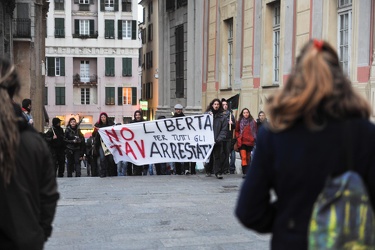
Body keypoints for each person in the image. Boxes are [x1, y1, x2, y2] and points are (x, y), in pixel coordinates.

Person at [235, 40, 375, 250]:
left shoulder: (275, 134)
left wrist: (288, 219)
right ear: (340, 80)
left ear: (296, 79)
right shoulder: (365, 133)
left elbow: (248, 210)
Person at [0, 57, 59, 249]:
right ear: (15, 89)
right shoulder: (33, 142)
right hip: (25, 241)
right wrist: (39, 233)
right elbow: (48, 196)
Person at [204, 98, 229, 179]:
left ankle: (217, 172)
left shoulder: (223, 117)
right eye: (215, 104)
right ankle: (208, 170)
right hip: (208, 140)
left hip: (217, 140)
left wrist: (219, 139)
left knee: (217, 156)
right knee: (209, 156)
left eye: (218, 104)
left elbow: (224, 129)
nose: (216, 106)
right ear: (212, 105)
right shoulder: (207, 115)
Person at [235, 108, 257, 178]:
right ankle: (245, 172)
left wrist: (253, 138)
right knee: (243, 157)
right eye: (244, 113)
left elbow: (256, 131)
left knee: (248, 157)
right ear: (242, 114)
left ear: (249, 113)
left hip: (250, 142)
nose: (246, 114)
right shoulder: (239, 122)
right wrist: (238, 137)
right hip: (242, 142)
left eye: (247, 112)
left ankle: (248, 172)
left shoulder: (253, 122)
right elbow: (237, 130)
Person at [92, 112, 115, 178]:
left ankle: (111, 172)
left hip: (109, 144)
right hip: (101, 144)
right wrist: (95, 130)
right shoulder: (98, 125)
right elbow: (93, 135)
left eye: (104, 117)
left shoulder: (111, 124)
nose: (103, 118)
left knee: (110, 159)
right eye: (102, 117)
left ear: (106, 117)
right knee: (102, 158)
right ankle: (103, 173)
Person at [129, 110, 148, 176]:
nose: (138, 116)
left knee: (142, 157)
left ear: (141, 115)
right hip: (135, 144)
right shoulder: (131, 123)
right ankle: (135, 171)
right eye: (136, 115)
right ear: (135, 116)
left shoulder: (144, 123)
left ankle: (142, 170)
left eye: (139, 115)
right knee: (135, 157)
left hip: (142, 143)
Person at [221, 98, 236, 174]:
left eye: (226, 105)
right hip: (220, 137)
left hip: (228, 137)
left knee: (227, 153)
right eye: (223, 105)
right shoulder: (219, 114)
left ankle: (225, 169)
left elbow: (234, 127)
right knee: (221, 153)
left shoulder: (231, 115)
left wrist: (232, 124)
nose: (225, 106)